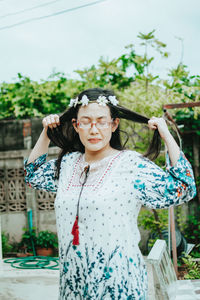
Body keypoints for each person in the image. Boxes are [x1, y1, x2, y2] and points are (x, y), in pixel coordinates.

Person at [24, 88, 196, 300]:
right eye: (85, 121)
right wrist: (46, 131)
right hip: (74, 283)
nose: (93, 129)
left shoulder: (131, 165)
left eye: (102, 121)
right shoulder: (67, 164)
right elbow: (32, 175)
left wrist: (165, 133)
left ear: (114, 125)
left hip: (119, 284)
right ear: (76, 126)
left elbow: (185, 188)